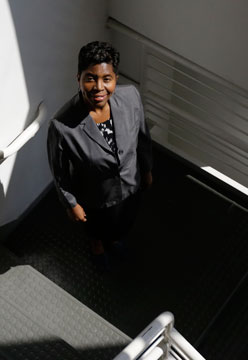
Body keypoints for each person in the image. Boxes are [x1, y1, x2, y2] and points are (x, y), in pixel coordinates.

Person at [47, 41, 153, 267]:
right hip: (95, 197)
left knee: (124, 222)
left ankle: (114, 241)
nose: (98, 87)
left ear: (115, 78)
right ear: (79, 78)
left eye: (106, 79)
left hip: (131, 186)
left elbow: (142, 137)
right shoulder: (62, 125)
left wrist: (146, 168)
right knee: (96, 227)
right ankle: (97, 246)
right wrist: (70, 203)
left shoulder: (131, 96)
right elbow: (59, 171)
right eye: (90, 78)